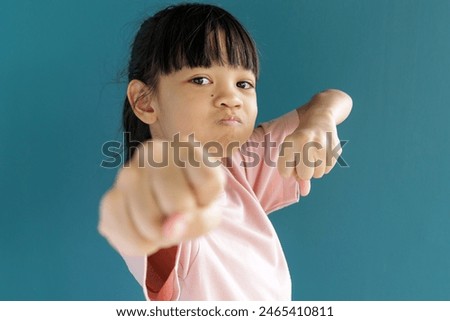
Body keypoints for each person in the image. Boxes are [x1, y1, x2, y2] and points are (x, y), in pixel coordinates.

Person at [98, 3, 352, 300]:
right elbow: (148, 220)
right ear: (144, 101)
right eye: (201, 80)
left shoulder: (239, 166)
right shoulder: (156, 191)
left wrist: (319, 120)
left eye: (244, 83)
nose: (231, 98)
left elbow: (335, 99)